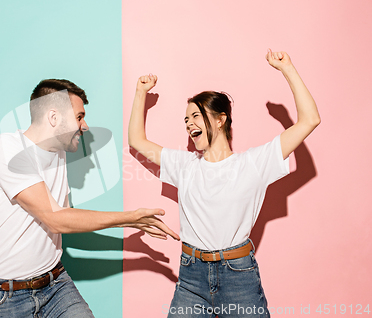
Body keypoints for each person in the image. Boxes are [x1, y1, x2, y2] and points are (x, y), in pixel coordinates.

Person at [128, 50, 320, 318]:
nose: (189, 124)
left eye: (196, 116)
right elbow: (137, 141)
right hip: (191, 276)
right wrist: (140, 92)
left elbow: (310, 119)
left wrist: (287, 68)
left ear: (220, 119)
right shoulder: (184, 165)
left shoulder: (253, 163)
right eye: (186, 119)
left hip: (238, 275)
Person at [0, 79, 179, 318]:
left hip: (55, 284)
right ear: (54, 117)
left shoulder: (57, 154)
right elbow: (56, 219)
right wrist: (130, 219)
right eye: (79, 117)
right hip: (5, 296)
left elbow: (67, 218)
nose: (85, 125)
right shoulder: (6, 149)